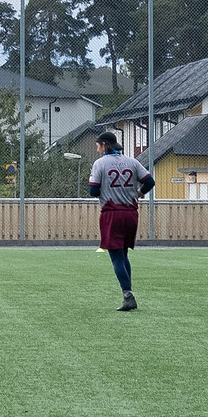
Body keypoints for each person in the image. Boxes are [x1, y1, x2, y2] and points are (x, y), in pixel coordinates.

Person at [88, 130, 155, 311]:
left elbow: (93, 191)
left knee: (116, 256)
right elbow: (150, 181)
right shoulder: (132, 161)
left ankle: (128, 295)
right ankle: (129, 293)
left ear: (104, 145)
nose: (97, 150)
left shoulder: (100, 163)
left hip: (112, 213)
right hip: (131, 213)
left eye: (98, 147)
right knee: (124, 255)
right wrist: (139, 193)